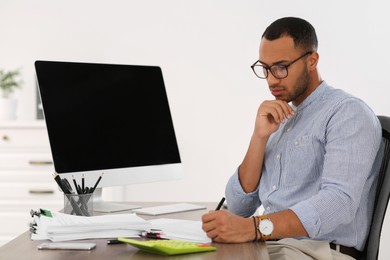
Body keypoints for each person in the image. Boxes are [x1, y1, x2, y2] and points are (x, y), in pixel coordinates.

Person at [201, 17, 384, 260]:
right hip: (274, 247)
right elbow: (239, 208)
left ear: (312, 60)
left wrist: (256, 228)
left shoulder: (347, 113)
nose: (272, 79)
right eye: (265, 68)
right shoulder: (280, 117)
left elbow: (338, 204)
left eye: (281, 67)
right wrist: (259, 137)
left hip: (318, 253)